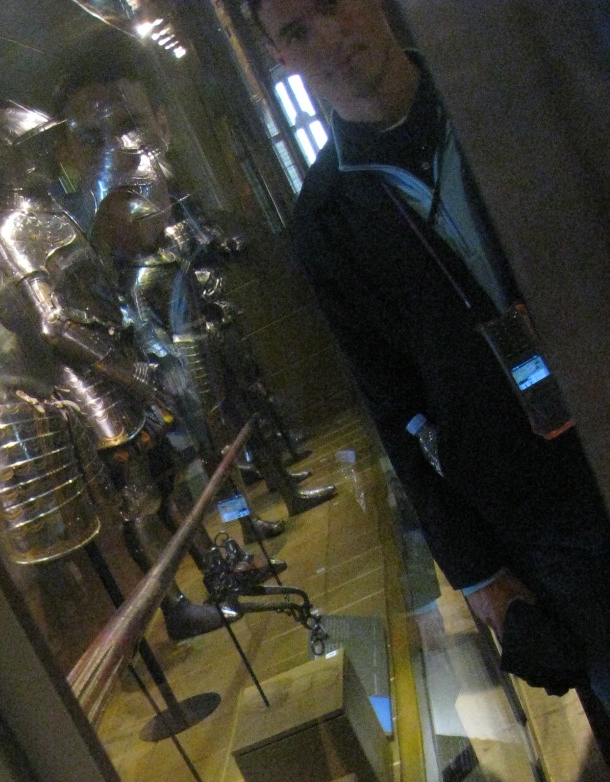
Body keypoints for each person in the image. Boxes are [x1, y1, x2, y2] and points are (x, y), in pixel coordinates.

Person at [249, 0, 610, 709]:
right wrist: (479, 574)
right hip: (538, 506)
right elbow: (393, 405)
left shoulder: (500, 98)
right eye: (297, 31)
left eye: (331, 4)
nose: (329, 37)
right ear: (280, 58)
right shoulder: (323, 219)